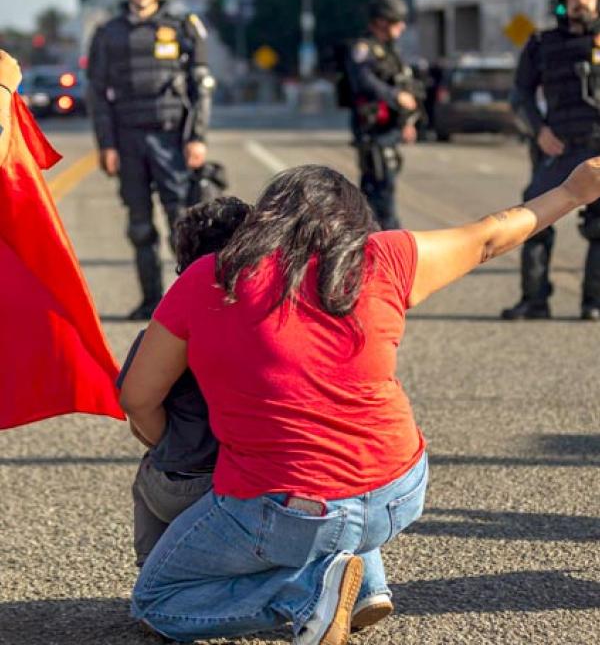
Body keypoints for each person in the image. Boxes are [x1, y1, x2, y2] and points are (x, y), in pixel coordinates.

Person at [119, 158, 600, 645]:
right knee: (340, 486)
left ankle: (306, 595)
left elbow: (138, 399)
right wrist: (571, 191)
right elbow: (489, 236)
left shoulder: (212, 276)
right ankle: (364, 582)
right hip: (398, 491)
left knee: (158, 602)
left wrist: (191, 452)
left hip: (290, 510)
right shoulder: (383, 258)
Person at [117, 197, 251, 567]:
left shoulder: (169, 328)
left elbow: (136, 402)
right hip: (256, 476)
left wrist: (172, 443)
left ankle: (154, 569)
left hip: (186, 479)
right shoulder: (271, 317)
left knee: (149, 477)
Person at [86, 0, 216, 321]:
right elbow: (97, 93)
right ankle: (151, 302)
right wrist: (106, 145)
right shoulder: (108, 34)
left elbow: (201, 87)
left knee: (183, 222)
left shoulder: (182, 28)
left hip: (173, 138)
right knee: (140, 226)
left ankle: (191, 306)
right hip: (127, 140)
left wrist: (198, 137)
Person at [502, 0, 600, 321]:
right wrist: (539, 130)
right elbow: (520, 95)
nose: (582, 2)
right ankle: (534, 300)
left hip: (599, 148)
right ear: (562, 0)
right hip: (557, 149)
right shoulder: (542, 44)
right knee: (532, 219)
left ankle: (594, 302)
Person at [343, 0, 424, 229]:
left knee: (379, 193)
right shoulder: (363, 49)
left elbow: (403, 82)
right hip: (372, 132)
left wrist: (408, 122)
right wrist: (396, 97)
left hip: (389, 132)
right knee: (380, 197)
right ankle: (390, 249)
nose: (401, 27)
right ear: (381, 21)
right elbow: (364, 81)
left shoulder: (391, 52)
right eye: (397, 22)